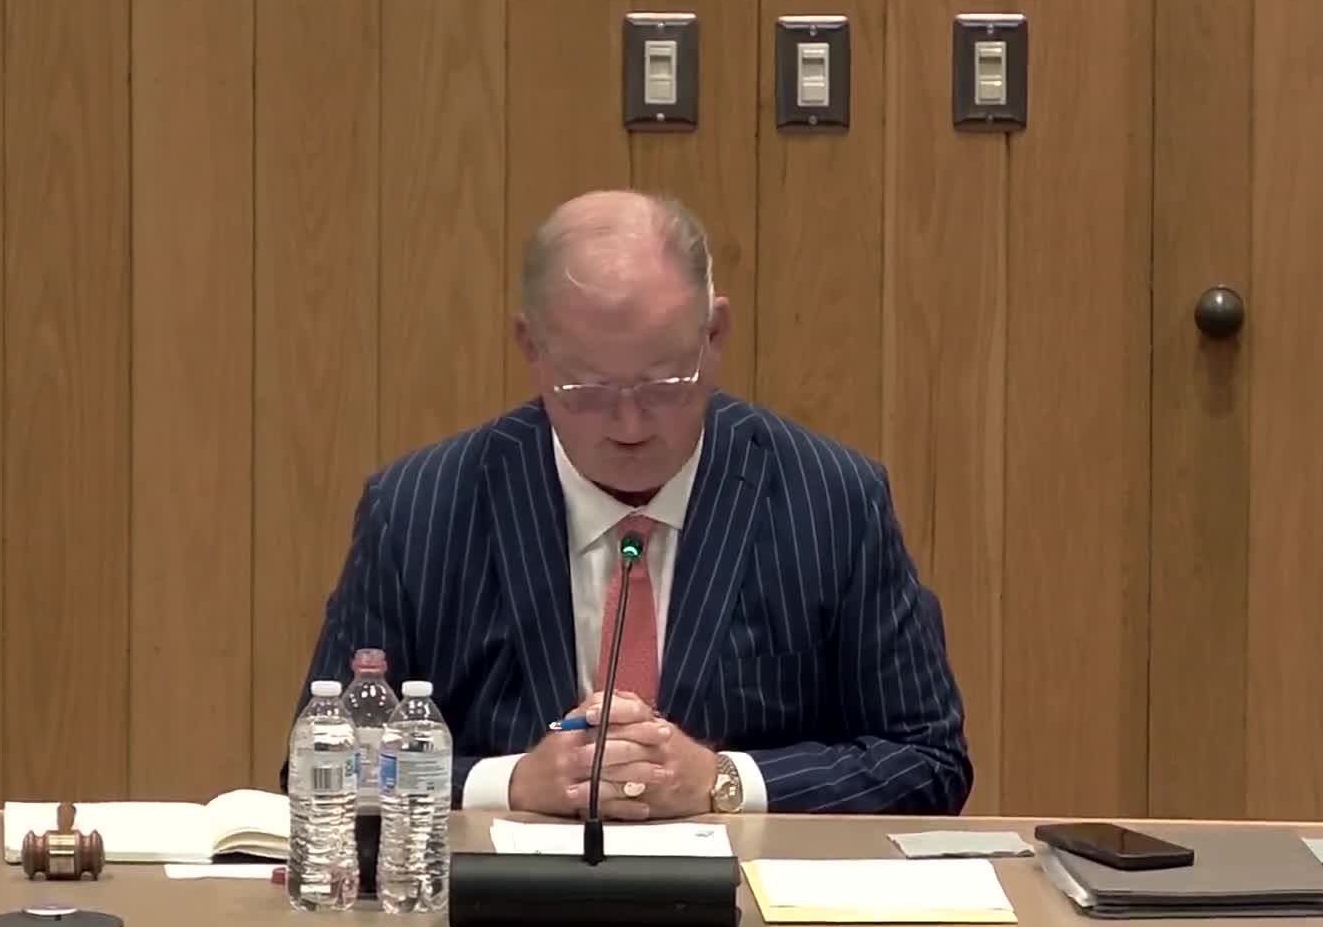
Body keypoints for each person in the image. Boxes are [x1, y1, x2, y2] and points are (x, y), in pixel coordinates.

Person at [282, 190, 971, 818]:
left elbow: (928, 760)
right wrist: (513, 783)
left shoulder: (831, 499)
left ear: (715, 334)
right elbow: (317, 768)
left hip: (747, 907)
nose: (631, 425)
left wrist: (722, 780)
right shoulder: (419, 510)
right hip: (504, 909)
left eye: (665, 384)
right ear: (531, 347)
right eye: (587, 390)